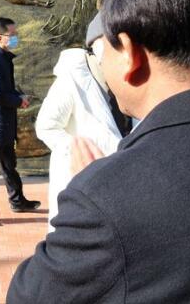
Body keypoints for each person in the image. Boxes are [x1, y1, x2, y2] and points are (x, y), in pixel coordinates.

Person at [7, 0, 190, 302]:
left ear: (130, 53)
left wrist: (97, 184)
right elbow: (49, 125)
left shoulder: (105, 198)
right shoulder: (72, 81)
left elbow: (29, 296)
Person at [35, 13, 124, 233]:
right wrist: (79, 149)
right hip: (79, 182)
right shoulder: (71, 80)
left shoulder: (114, 82)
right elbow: (46, 126)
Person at [0, 17, 40, 212]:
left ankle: (17, 201)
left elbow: (5, 89)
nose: (15, 37)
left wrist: (19, 97)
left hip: (5, 125)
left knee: (9, 166)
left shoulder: (3, 58)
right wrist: (18, 101)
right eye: (12, 35)